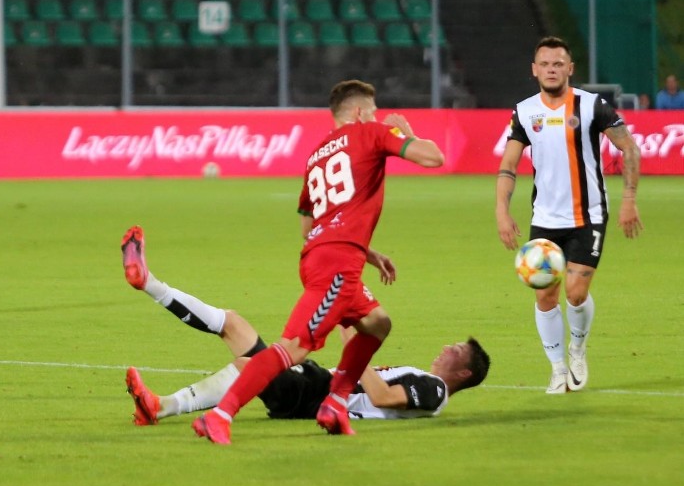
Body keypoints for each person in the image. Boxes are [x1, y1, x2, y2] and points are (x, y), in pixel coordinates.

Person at [158, 79, 446, 443]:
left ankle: (336, 403)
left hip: (325, 257)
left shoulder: (317, 156)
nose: (376, 117)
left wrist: (366, 252)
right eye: (372, 112)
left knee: (377, 323)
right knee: (292, 348)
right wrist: (407, 133)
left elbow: (309, 223)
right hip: (338, 265)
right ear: (358, 113)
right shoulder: (371, 132)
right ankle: (220, 415)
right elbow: (434, 158)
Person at [121, 226, 491, 425]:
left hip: (315, 396)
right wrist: (352, 329)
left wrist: (354, 349)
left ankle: (162, 406)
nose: (446, 348)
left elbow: (381, 397)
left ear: (465, 372)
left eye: (456, 351)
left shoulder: (436, 391)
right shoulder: (423, 379)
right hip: (314, 382)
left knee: (250, 367)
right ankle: (150, 283)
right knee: (232, 323)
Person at [496, 36, 642, 394]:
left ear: (570, 68)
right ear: (534, 70)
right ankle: (558, 368)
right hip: (545, 218)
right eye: (545, 64)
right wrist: (502, 210)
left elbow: (629, 148)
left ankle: (577, 349)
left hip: (588, 215)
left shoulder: (592, 106)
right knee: (545, 296)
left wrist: (629, 199)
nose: (551, 69)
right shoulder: (525, 111)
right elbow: (509, 164)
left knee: (575, 293)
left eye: (558, 64)